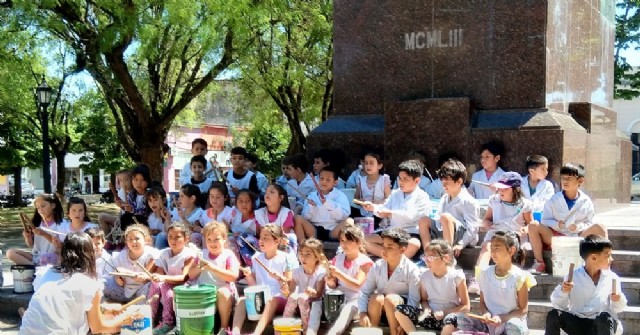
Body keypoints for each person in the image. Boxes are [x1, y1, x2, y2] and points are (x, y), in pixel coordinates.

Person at [19, 232, 139, 335]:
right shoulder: (90, 285)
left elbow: (64, 302)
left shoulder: (46, 273)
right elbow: (98, 328)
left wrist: (103, 308)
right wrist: (124, 320)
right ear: (89, 255)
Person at [527, 163, 606, 274]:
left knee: (600, 227)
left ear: (580, 181)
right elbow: (545, 220)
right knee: (533, 225)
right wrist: (556, 224)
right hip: (556, 237)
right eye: (563, 178)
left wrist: (579, 227)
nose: (565, 181)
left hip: (578, 237)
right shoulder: (554, 199)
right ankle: (540, 263)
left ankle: (604, 262)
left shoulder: (586, 201)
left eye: (569, 178)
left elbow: (589, 221)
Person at [456, 231, 536, 335]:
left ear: (511, 250)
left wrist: (502, 318)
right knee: (461, 318)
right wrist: (486, 314)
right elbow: (482, 303)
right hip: (490, 323)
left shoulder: (520, 277)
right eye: (492, 248)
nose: (493, 252)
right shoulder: (485, 273)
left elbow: (523, 310)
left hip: (510, 322)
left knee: (514, 327)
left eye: (497, 248)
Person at [546, 234, 627, 335]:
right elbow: (558, 305)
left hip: (601, 325)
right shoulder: (573, 276)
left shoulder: (612, 278)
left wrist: (617, 299)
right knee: (554, 315)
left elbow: (618, 309)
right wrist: (564, 291)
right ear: (593, 257)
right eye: (608, 255)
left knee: (605, 319)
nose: (611, 259)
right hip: (578, 322)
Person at [469, 172, 533, 294]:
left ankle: (517, 280)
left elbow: (530, 224)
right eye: (499, 188)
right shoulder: (494, 200)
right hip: (496, 232)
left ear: (515, 189)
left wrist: (525, 229)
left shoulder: (525, 204)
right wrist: (486, 223)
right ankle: (478, 279)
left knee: (518, 250)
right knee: (486, 248)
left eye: (505, 189)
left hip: (515, 234)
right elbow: (487, 219)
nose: (501, 191)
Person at [395, 240, 470, 335]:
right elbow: (424, 300)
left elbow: (466, 306)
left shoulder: (457, 276)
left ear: (446, 258)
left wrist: (444, 312)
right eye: (425, 257)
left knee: (451, 320)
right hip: (431, 316)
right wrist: (427, 309)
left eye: (431, 257)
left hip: (449, 317)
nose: (426, 261)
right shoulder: (424, 276)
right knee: (399, 310)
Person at [231, 225, 296, 335]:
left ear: (277, 241)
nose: (261, 241)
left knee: (272, 300)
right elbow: (255, 286)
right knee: (242, 301)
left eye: (266, 238)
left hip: (280, 298)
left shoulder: (287, 258)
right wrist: (248, 276)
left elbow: (290, 284)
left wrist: (279, 277)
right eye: (260, 237)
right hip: (261, 298)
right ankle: (235, 332)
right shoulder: (256, 258)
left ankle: (256, 333)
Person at [357, 228, 421, 335]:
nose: (384, 250)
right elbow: (365, 292)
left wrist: (405, 322)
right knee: (376, 298)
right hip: (380, 312)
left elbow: (414, 300)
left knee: (391, 299)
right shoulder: (377, 266)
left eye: (390, 247)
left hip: (400, 313)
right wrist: (362, 313)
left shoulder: (412, 269)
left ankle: (394, 333)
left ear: (402, 250)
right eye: (383, 246)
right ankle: (372, 331)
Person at [363, 160, 430, 258]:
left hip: (410, 233)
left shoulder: (422, 196)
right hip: (392, 231)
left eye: (405, 179)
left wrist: (391, 213)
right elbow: (383, 209)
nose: (401, 182)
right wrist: (373, 208)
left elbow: (413, 216)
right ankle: (391, 257)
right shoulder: (395, 193)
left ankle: (394, 259)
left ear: (417, 181)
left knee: (414, 244)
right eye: (400, 178)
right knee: (360, 239)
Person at [419, 159, 481, 257]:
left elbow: (473, 228)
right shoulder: (445, 197)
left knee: (446, 217)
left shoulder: (469, 201)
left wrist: (461, 244)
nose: (444, 185)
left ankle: (447, 255)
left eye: (447, 181)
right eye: (442, 182)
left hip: (462, 236)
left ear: (459, 181)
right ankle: (428, 253)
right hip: (444, 230)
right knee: (423, 220)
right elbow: (439, 218)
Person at [189, 222, 241, 332]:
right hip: (204, 292)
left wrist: (212, 268)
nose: (213, 243)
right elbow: (191, 274)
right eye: (209, 240)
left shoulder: (228, 254)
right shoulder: (201, 254)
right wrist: (199, 268)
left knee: (223, 293)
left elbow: (233, 276)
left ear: (224, 239)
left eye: (216, 239)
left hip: (222, 292)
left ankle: (224, 328)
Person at [325, 223, 373, 335]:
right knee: (316, 304)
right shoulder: (338, 258)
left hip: (357, 302)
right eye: (342, 241)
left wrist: (339, 274)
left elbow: (358, 285)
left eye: (349, 241)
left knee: (348, 308)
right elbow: (333, 285)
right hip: (338, 299)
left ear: (359, 243)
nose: (344, 244)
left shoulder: (364, 262)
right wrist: (330, 280)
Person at [149, 222, 196, 334]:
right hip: (168, 283)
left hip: (185, 286)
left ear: (186, 239)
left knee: (169, 293)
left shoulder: (189, 255)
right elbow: (160, 273)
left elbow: (184, 277)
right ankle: (150, 318)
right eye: (170, 237)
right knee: (155, 285)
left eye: (177, 237)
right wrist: (157, 277)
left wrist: (162, 278)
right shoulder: (164, 253)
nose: (173, 240)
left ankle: (168, 322)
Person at [294, 167, 352, 243]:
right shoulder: (312, 196)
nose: (324, 182)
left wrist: (329, 204)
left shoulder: (340, 195)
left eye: (328, 180)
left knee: (349, 221)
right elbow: (305, 217)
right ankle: (302, 246)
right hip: (314, 230)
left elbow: (343, 216)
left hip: (333, 230)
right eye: (321, 179)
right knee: (298, 218)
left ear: (335, 182)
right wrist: (311, 207)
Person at [282, 238, 327, 335]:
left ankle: (307, 330)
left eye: (308, 254)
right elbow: (291, 291)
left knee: (304, 299)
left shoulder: (321, 272)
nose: (303, 257)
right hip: (301, 303)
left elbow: (319, 294)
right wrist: (286, 291)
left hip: (317, 303)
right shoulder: (297, 271)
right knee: (294, 298)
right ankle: (284, 328)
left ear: (317, 257)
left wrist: (312, 293)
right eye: (301, 253)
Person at [103, 224, 157, 304]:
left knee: (150, 286)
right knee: (103, 283)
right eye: (130, 239)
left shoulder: (151, 254)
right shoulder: (120, 256)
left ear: (146, 240)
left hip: (141, 290)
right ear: (126, 243)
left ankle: (140, 305)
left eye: (137, 238)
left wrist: (127, 272)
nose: (133, 242)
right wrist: (117, 278)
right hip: (124, 290)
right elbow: (115, 274)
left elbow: (145, 277)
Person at [7, 193, 64, 266]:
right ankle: (34, 269)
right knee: (10, 253)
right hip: (36, 257)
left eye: (43, 206)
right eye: (38, 207)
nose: (40, 210)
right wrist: (27, 237)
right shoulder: (36, 224)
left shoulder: (61, 224)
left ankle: (35, 269)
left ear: (53, 206)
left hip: (52, 258)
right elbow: (31, 245)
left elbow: (61, 246)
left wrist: (44, 234)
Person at [255, 184, 297, 257]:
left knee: (290, 238)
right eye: (266, 192)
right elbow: (260, 234)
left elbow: (284, 234)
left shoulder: (286, 213)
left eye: (272, 192)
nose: (267, 194)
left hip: (280, 243)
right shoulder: (259, 213)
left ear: (280, 198)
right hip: (265, 243)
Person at [98, 169, 132, 248]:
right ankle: (110, 242)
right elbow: (122, 210)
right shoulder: (120, 192)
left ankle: (121, 242)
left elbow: (130, 210)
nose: (123, 183)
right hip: (122, 219)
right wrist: (118, 217)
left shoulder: (134, 192)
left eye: (126, 180)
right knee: (101, 217)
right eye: (120, 180)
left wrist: (123, 204)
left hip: (130, 221)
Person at [354, 150, 391, 218]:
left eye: (371, 163)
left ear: (379, 166)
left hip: (378, 213)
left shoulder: (384, 179)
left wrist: (377, 203)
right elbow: (355, 199)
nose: (368, 166)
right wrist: (361, 202)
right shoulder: (361, 180)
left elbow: (389, 198)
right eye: (366, 163)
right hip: (364, 213)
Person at [228, 189, 260, 266]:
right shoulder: (234, 213)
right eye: (241, 201)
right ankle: (235, 266)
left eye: (247, 201)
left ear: (252, 203)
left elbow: (260, 236)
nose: (244, 204)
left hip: (252, 248)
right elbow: (228, 229)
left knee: (242, 237)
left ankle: (250, 266)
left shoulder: (257, 217)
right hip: (234, 246)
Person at [121, 165, 152, 231]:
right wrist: (123, 206)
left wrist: (132, 210)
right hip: (133, 222)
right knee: (125, 217)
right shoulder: (131, 195)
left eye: (142, 180)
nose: (139, 183)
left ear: (148, 181)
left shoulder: (150, 195)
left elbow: (146, 212)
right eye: (136, 179)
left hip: (147, 223)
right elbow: (129, 211)